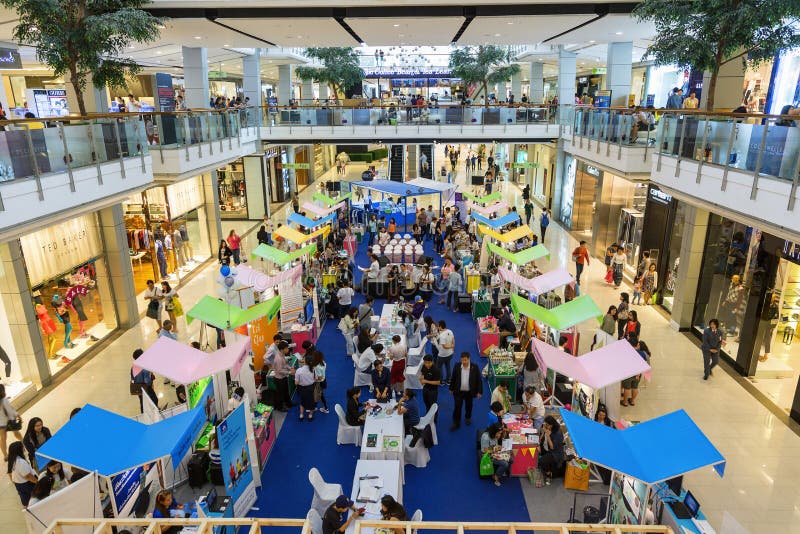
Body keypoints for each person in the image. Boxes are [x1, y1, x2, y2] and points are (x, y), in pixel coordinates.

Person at [449, 352, 483, 430]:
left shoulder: (475, 367)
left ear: (469, 359)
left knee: (469, 406)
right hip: (458, 392)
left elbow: (479, 380)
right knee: (457, 407)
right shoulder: (457, 366)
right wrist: (451, 388)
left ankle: (467, 417)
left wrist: (480, 391)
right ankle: (456, 422)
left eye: (465, 360)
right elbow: (453, 377)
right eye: (462, 360)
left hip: (469, 392)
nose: (463, 362)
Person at [538, 415, 565, 485]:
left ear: (552, 424)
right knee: (537, 453)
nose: (546, 426)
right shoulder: (545, 427)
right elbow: (540, 440)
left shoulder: (558, 433)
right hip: (546, 447)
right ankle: (546, 467)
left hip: (555, 452)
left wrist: (547, 435)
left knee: (542, 461)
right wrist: (543, 432)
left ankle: (548, 474)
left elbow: (552, 447)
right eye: (545, 424)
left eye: (547, 425)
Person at [8, 441, 37, 506]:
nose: (24, 448)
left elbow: (10, 473)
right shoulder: (21, 462)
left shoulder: (12, 460)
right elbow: (28, 476)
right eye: (23, 447)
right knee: (34, 498)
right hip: (27, 484)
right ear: (19, 450)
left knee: (25, 500)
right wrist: (37, 482)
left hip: (18, 484)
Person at [132, 348, 158, 412]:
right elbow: (147, 382)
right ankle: (154, 413)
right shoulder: (144, 367)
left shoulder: (134, 367)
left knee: (143, 404)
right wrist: (150, 375)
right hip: (146, 388)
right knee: (154, 400)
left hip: (138, 389)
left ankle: (144, 416)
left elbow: (132, 379)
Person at [0, 384, 22, 461]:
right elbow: (10, 410)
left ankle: (5, 455)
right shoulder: (4, 400)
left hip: (1, 424)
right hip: (10, 421)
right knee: (16, 433)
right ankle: (23, 444)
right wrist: (18, 415)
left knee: (3, 439)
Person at [272, 341, 296, 411]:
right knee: (280, 394)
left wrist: (290, 368)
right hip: (279, 379)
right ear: (282, 349)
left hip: (283, 377)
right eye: (286, 348)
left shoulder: (281, 354)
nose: (288, 350)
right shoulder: (278, 358)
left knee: (286, 391)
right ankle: (280, 407)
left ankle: (289, 403)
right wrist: (289, 372)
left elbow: (284, 364)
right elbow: (279, 370)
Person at [435, 320, 455, 385]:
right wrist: (452, 347)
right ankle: (449, 380)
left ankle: (441, 381)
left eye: (438, 326)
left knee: (439, 367)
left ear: (440, 327)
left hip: (442, 355)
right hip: (450, 354)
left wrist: (450, 346)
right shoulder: (450, 331)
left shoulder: (442, 336)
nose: (437, 328)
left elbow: (444, 346)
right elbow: (453, 340)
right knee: (448, 366)